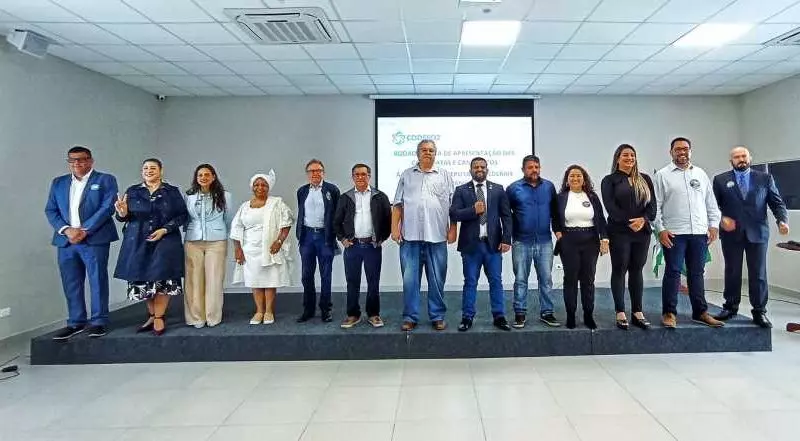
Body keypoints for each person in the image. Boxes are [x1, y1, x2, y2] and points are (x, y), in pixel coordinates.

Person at [45, 146, 118, 340]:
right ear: (69, 162)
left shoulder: (105, 180)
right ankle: (76, 322)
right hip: (66, 241)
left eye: (82, 159)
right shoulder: (59, 183)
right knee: (71, 282)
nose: (77, 163)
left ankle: (98, 321)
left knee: (97, 280)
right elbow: (51, 210)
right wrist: (66, 230)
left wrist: (85, 230)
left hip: (94, 239)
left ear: (91, 161)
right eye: (72, 160)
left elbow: (107, 207)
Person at [712, 146, 789, 328]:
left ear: (750, 158)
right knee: (732, 271)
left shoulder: (765, 178)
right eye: (737, 157)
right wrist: (722, 219)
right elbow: (712, 206)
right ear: (731, 161)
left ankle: (759, 311)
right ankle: (730, 307)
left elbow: (777, 203)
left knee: (758, 273)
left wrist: (782, 220)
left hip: (758, 233)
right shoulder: (720, 180)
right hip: (731, 234)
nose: (741, 159)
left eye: (744, 156)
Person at [653, 137, 723, 328]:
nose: (682, 152)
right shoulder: (662, 175)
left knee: (697, 273)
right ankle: (669, 313)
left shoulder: (700, 174)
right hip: (674, 233)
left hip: (699, 233)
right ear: (671, 152)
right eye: (677, 149)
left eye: (685, 149)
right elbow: (655, 206)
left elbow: (711, 203)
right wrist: (660, 230)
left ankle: (700, 312)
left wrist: (714, 225)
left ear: (690, 151)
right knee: (673, 272)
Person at [114, 158, 188, 336]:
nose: (149, 170)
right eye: (145, 168)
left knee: (163, 278)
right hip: (138, 240)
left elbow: (182, 215)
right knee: (142, 278)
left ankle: (159, 317)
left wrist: (165, 229)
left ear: (161, 171)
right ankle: (152, 315)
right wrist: (122, 213)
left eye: (153, 168)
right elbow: (124, 216)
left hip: (165, 240)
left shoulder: (171, 191)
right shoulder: (133, 191)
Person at [392, 139, 457, 331]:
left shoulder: (444, 175)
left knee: (437, 280)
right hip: (410, 237)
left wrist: (453, 228)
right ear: (417, 153)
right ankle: (410, 317)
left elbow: (453, 206)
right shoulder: (406, 175)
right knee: (410, 281)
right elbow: (397, 204)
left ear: (435, 154)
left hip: (437, 237)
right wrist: (394, 228)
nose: (427, 152)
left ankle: (437, 316)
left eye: (431, 150)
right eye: (424, 150)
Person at [450, 157, 513, 331]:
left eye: (482, 167)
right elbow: (454, 214)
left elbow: (506, 216)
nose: (479, 169)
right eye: (476, 167)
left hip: (493, 245)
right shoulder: (461, 190)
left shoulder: (498, 189)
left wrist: (506, 239)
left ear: (487, 169)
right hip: (471, 246)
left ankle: (499, 316)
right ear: (470, 170)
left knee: (496, 280)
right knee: (470, 281)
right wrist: (473, 210)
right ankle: (467, 317)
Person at [601, 144, 657, 330]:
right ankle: (620, 312)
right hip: (619, 231)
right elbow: (611, 208)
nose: (630, 158)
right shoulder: (610, 180)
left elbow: (652, 206)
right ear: (618, 158)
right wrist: (629, 222)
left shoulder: (645, 179)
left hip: (642, 232)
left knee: (636, 270)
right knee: (620, 269)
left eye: (632, 155)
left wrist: (643, 220)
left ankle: (637, 312)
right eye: (625, 155)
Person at [230, 171, 294, 325]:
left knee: (270, 280)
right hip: (250, 249)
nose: (260, 187)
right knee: (255, 281)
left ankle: (269, 311)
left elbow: (286, 223)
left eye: (264, 185)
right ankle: (259, 311)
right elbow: (236, 228)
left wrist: (279, 241)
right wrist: (238, 249)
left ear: (269, 187)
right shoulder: (245, 206)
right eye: (256, 185)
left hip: (270, 248)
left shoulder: (277, 203)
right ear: (252, 187)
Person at [333, 163, 392, 329]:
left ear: (369, 176)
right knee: (352, 281)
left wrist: (381, 238)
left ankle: (373, 314)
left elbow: (388, 220)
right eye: (357, 175)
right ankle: (353, 314)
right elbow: (336, 222)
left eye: (363, 174)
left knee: (373, 281)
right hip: (352, 246)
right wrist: (342, 239)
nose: (360, 177)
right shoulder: (345, 198)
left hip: (372, 246)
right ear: (353, 177)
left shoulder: (380, 197)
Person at [506, 155, 560, 328]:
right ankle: (520, 313)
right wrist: (508, 237)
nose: (534, 170)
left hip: (545, 241)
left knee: (546, 279)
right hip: (521, 242)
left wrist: (558, 232)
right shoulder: (513, 188)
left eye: (536, 167)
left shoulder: (549, 187)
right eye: (530, 167)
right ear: (523, 169)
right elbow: (506, 216)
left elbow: (555, 212)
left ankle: (547, 312)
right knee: (521, 279)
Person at [554, 165, 609, 329]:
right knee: (570, 279)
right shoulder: (561, 197)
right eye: (572, 176)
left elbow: (600, 218)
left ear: (584, 179)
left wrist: (604, 238)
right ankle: (570, 315)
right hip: (569, 241)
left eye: (578, 176)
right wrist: (559, 235)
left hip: (590, 241)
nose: (575, 178)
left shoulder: (592, 196)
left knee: (588, 279)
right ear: (567, 179)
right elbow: (555, 219)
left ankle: (588, 315)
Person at [183, 164, 232, 328]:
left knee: (214, 279)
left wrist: (222, 233)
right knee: (193, 280)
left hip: (217, 241)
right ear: (196, 178)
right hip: (193, 241)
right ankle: (196, 318)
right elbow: (186, 219)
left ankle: (213, 317)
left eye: (206, 175)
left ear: (213, 177)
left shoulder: (225, 196)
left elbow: (228, 219)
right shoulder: (189, 196)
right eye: (200, 175)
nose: (203, 178)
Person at [296, 159, 340, 323]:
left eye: (318, 170)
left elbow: (337, 214)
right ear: (307, 174)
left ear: (323, 172)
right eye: (312, 171)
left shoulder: (332, 190)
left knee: (325, 275)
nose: (315, 173)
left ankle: (325, 310)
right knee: (306, 275)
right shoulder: (302, 191)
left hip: (324, 237)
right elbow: (301, 212)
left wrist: (335, 235)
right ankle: (308, 309)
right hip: (307, 237)